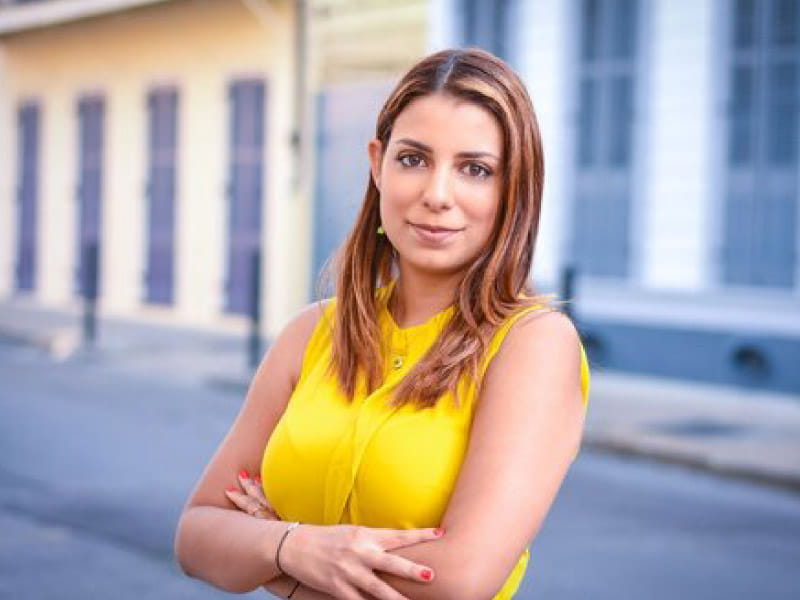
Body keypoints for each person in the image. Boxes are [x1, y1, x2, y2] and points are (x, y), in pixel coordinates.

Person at [174, 47, 591, 600]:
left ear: (512, 189)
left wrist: (273, 554)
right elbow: (198, 534)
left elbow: (457, 580)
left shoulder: (532, 345)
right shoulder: (310, 334)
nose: (436, 195)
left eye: (475, 169)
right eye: (414, 159)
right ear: (377, 163)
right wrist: (295, 547)